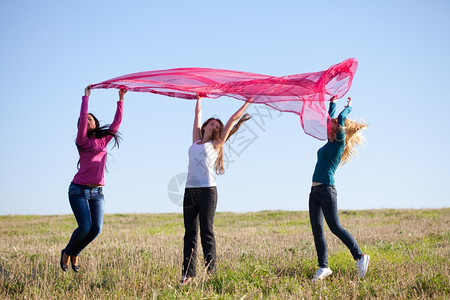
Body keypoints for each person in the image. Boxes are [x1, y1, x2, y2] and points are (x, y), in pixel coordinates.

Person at [181, 94, 253, 284]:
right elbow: (196, 115)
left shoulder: (216, 144)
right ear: (205, 126)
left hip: (208, 191)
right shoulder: (196, 140)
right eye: (212, 124)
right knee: (190, 234)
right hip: (189, 191)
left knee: (207, 232)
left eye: (217, 126)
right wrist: (199, 99)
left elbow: (232, 120)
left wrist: (248, 103)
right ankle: (187, 275)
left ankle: (212, 274)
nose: (215, 127)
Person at [60, 85, 126, 272]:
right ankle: (66, 252)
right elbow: (82, 122)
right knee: (84, 227)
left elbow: (116, 124)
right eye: (84, 119)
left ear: (96, 123)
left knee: (96, 229)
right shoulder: (82, 142)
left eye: (90, 118)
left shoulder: (103, 140)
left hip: (97, 192)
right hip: (78, 190)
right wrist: (86, 98)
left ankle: (75, 252)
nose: (87, 120)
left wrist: (120, 99)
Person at [309, 96, 369, 282]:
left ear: (339, 128)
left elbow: (340, 119)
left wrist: (348, 107)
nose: (329, 124)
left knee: (335, 227)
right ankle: (323, 267)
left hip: (327, 190)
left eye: (333, 124)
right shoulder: (329, 142)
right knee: (317, 230)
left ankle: (360, 257)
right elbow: (330, 118)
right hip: (315, 192)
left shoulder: (339, 143)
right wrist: (332, 104)